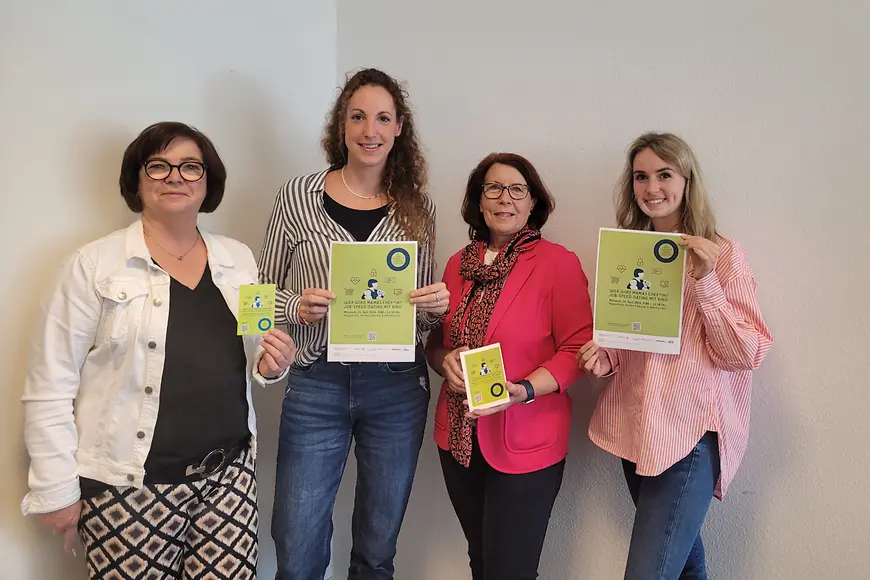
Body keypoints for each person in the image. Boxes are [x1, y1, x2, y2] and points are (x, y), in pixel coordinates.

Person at [21, 121, 296, 579]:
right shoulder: (93, 266)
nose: (175, 177)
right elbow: (49, 384)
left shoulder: (241, 259)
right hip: (126, 489)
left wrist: (272, 365)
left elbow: (256, 355)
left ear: (208, 181)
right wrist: (56, 490)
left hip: (228, 479)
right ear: (137, 180)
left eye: (190, 167)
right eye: (159, 166)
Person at [259, 68, 448, 580]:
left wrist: (435, 309)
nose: (370, 130)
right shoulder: (296, 196)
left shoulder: (419, 208)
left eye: (383, 118)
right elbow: (255, 300)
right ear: (340, 127)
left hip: (396, 386)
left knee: (376, 547)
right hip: (316, 382)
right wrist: (294, 307)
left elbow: (424, 320)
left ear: (399, 127)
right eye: (358, 116)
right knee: (296, 547)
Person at [579, 132, 774, 580]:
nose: (652, 189)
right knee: (685, 565)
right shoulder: (628, 253)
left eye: (664, 174)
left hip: (689, 436)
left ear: (687, 180)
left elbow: (745, 353)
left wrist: (704, 282)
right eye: (641, 177)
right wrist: (606, 355)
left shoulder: (724, 254)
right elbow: (625, 341)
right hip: (636, 426)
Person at [426, 153, 593, 580]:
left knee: (510, 571)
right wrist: (444, 361)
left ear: (533, 201)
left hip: (527, 440)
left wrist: (525, 390)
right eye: (494, 188)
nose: (505, 198)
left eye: (517, 189)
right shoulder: (457, 265)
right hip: (459, 438)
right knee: (481, 559)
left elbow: (577, 346)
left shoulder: (557, 263)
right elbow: (437, 344)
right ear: (479, 202)